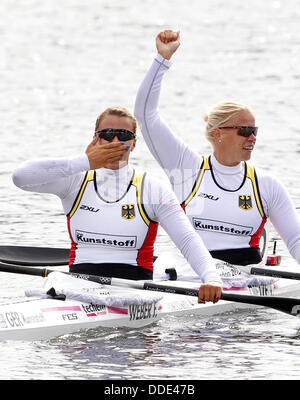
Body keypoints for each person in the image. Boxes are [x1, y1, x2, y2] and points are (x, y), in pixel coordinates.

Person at [12, 106, 223, 303]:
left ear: (134, 143)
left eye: (123, 135)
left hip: (134, 290)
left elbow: (186, 239)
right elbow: (20, 177)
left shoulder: (152, 188)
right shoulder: (74, 180)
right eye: (106, 134)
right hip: (78, 288)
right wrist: (85, 161)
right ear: (96, 139)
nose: (114, 140)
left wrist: (211, 278)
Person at [134, 30, 300, 266]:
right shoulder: (186, 167)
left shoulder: (267, 185)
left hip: (247, 278)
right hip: (195, 275)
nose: (252, 137)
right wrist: (162, 60)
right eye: (244, 131)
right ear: (218, 134)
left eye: (255, 131)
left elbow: (295, 240)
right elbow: (145, 115)